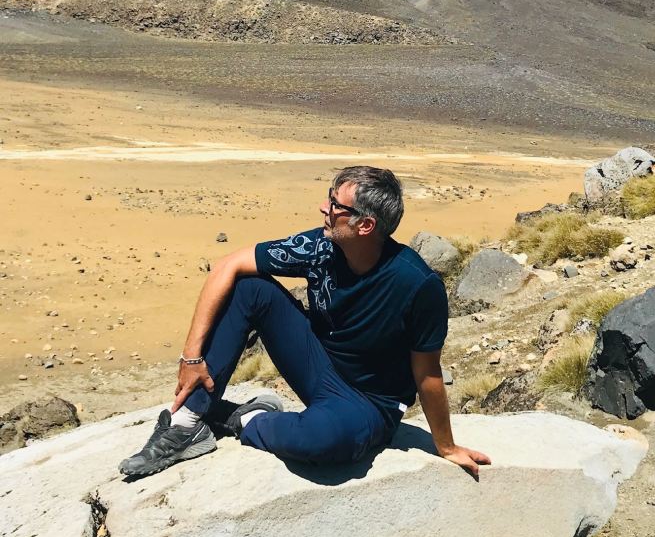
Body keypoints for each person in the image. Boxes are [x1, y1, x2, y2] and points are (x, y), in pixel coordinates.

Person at [119, 165, 490, 479]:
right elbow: (229, 265)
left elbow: (427, 375)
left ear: (365, 225)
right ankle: (188, 422)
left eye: (334, 205)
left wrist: (445, 446)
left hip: (367, 402)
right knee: (249, 287)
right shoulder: (321, 247)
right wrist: (191, 358)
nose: (323, 209)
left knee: (324, 443)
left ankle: (245, 420)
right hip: (318, 364)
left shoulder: (417, 285)